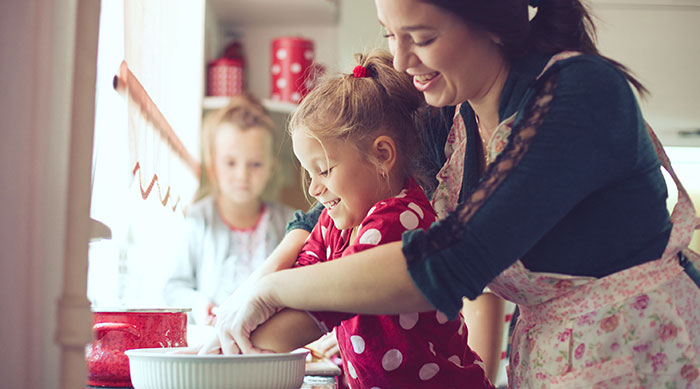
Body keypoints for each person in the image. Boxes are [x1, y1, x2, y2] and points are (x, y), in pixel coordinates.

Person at [211, 0, 700, 387]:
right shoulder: (450, 116)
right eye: (389, 34)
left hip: (642, 355)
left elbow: (445, 264)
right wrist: (248, 302)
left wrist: (272, 290)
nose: (402, 60)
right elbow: (327, 209)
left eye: (421, 38)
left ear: (490, 22)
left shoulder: (580, 95)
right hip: (555, 360)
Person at [240, 50, 494, 388]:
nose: (315, 189)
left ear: (382, 155)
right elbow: (302, 274)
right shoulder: (336, 221)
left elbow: (315, 310)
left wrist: (235, 338)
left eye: (325, 170)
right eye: (309, 173)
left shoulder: (400, 220)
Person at [163, 94, 293, 325]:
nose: (242, 175)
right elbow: (174, 287)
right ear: (213, 166)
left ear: (270, 168)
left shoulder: (289, 223)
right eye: (230, 163)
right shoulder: (197, 220)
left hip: (269, 341)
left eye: (255, 164)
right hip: (211, 339)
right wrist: (201, 306)